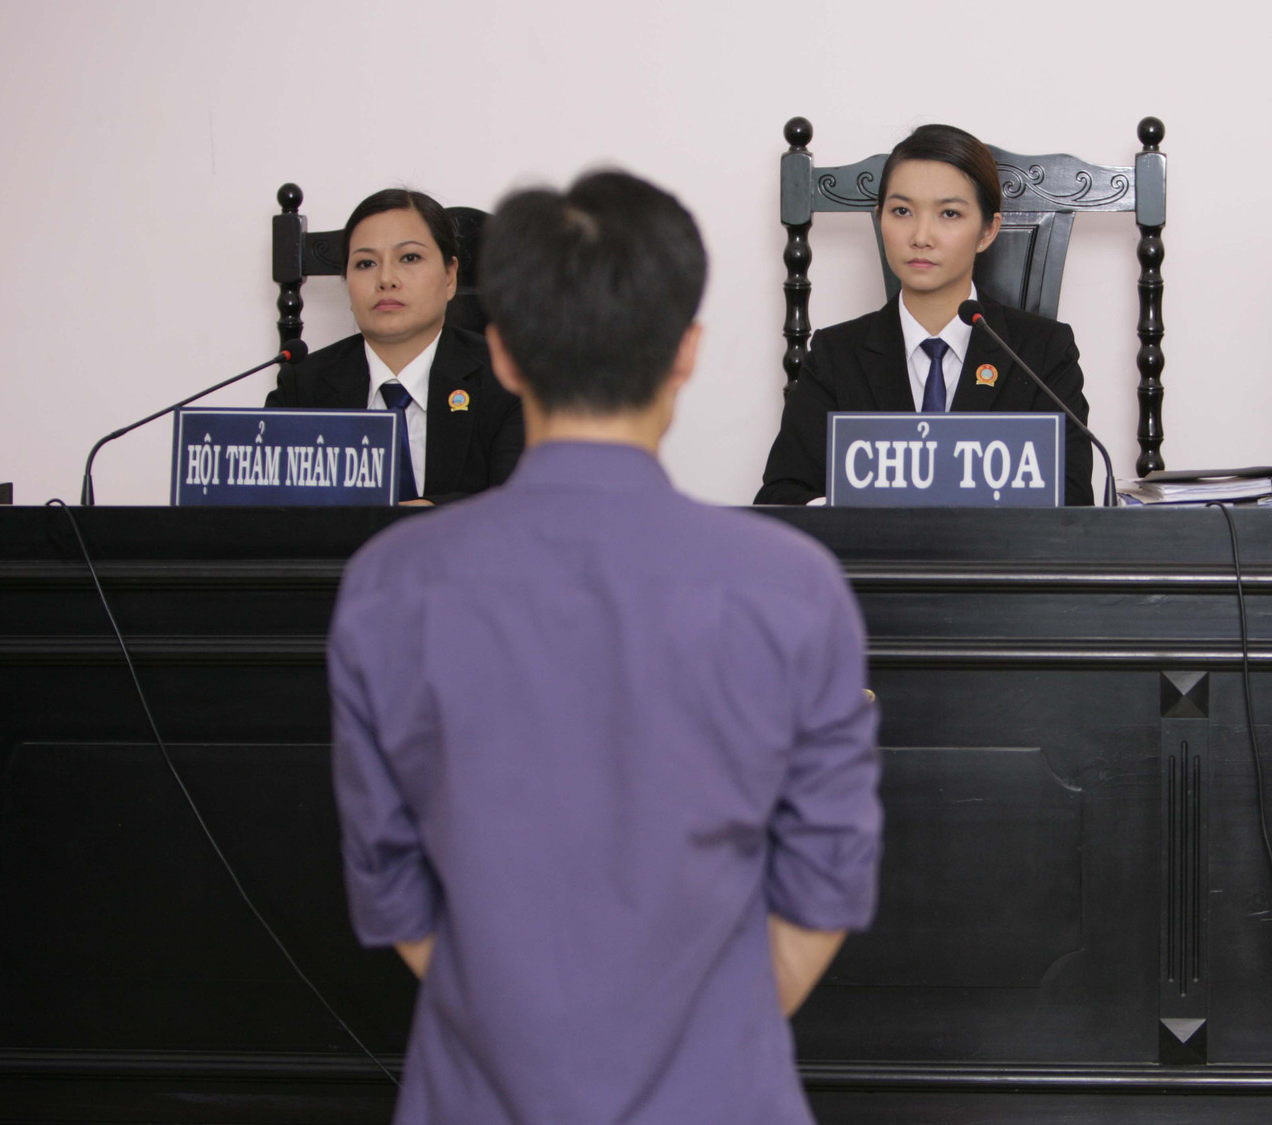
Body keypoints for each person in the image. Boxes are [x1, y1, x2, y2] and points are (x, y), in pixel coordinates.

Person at [328, 170, 882, 1125]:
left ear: (503, 353)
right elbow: (826, 879)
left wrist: (536, 1040)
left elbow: (394, 891)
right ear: (687, 352)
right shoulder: (793, 585)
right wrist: (685, 1038)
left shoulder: (389, 584)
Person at [756, 124, 1095, 505]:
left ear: (988, 231)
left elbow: (1074, 504)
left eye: (949, 213)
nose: (920, 236)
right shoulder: (835, 355)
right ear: (880, 218)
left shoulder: (1043, 352)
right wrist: (848, 518)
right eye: (901, 211)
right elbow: (781, 497)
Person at [266, 188, 523, 504]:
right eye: (365, 263)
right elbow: (274, 510)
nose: (386, 279)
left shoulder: (508, 380)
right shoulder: (302, 387)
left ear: (449, 277)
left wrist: (429, 514)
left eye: (409, 258)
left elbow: (523, 505)